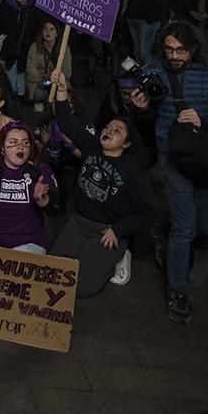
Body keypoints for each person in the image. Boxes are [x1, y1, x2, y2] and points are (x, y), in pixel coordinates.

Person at [144, 21, 208, 324]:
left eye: (180, 50)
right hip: (173, 155)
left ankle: (168, 233)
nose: (174, 56)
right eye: (169, 49)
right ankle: (178, 291)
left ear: (194, 48)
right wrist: (139, 105)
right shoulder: (155, 70)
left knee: (203, 225)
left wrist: (203, 121)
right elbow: (146, 113)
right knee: (185, 226)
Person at [47, 71, 153, 295]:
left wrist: (118, 230)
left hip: (108, 229)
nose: (108, 131)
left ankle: (121, 254)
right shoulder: (92, 146)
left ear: (126, 144)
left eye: (117, 131)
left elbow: (147, 213)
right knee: (52, 274)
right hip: (79, 221)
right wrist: (63, 89)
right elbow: (67, 122)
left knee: (81, 287)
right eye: (108, 127)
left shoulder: (132, 170)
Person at [0, 121, 56, 253]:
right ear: (2, 147)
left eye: (25, 143)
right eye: (14, 142)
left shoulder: (40, 170)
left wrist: (43, 200)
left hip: (29, 241)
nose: (21, 147)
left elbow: (57, 208)